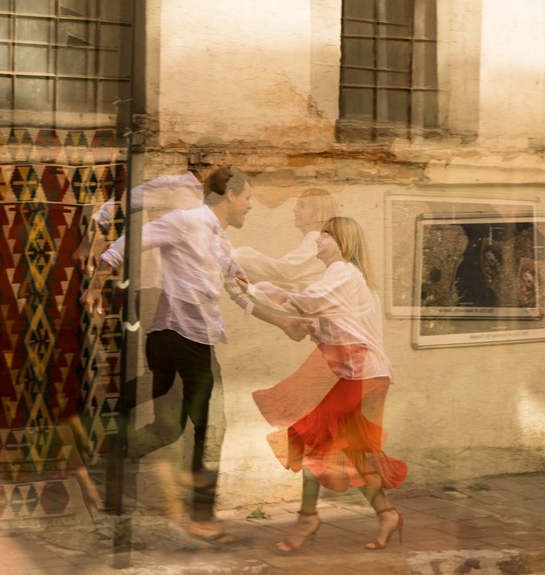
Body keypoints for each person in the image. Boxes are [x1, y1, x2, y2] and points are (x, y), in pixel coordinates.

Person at [87, 167, 311, 540]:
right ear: (229, 196)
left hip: (179, 340)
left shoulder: (221, 242)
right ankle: (201, 517)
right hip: (182, 338)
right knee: (213, 429)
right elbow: (129, 241)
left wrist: (284, 323)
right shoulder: (188, 221)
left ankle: (106, 463)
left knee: (168, 427)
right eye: (248, 198)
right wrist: (97, 282)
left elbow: (241, 291)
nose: (251, 206)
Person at [241, 216, 407, 552]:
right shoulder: (344, 276)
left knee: (308, 437)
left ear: (342, 241)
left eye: (326, 234)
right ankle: (387, 514)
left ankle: (307, 517)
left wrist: (254, 288)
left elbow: (308, 302)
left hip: (362, 375)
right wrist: (305, 324)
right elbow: (331, 322)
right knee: (357, 452)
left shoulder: (342, 272)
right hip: (364, 374)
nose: (318, 239)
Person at [235, 188, 338, 290]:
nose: (294, 209)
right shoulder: (321, 240)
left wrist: (235, 255)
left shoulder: (317, 240)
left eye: (302, 205)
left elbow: (286, 270)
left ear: (317, 212)